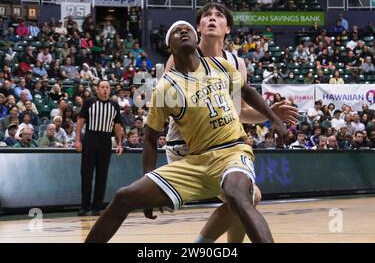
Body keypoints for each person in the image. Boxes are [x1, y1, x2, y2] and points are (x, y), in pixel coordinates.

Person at [84, 21, 288, 243]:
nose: (183, 32)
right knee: (124, 197)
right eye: (176, 32)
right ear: (170, 47)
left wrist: (274, 118)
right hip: (195, 162)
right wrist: (149, 176)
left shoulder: (220, 66)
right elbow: (151, 139)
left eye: (187, 30)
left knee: (238, 195)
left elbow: (247, 92)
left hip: (232, 152)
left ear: (196, 39)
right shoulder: (165, 87)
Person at [164, 3, 298, 243]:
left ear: (227, 29)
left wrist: (269, 114)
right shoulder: (179, 56)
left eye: (218, 16)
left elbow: (237, 112)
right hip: (185, 147)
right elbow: (171, 108)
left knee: (249, 196)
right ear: (198, 27)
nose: (212, 19)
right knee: (246, 196)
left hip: (217, 149)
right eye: (206, 16)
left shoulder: (236, 63)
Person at [75, 80, 123, 216]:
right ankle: (85, 206)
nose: (105, 89)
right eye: (102, 87)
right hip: (90, 139)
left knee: (102, 175)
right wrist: (78, 140)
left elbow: (117, 126)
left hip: (105, 140)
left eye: (107, 87)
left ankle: (97, 207)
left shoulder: (114, 105)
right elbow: (80, 121)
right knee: (86, 174)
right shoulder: (89, 102)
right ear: (97, 89)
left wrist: (119, 143)